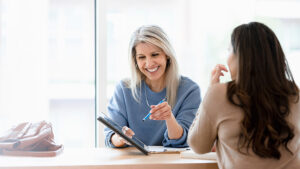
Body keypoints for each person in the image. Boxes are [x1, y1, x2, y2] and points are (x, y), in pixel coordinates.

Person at [188, 22, 300, 169]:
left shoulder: (219, 93)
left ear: (240, 57)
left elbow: (198, 146)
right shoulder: (293, 92)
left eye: (229, 50)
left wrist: (210, 91)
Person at [104, 25, 201, 148]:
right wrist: (121, 137)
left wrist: (169, 118)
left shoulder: (189, 91)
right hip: (132, 164)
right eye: (141, 57)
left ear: (167, 54)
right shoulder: (123, 89)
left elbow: (183, 140)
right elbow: (110, 136)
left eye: (155, 55)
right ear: (135, 60)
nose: (149, 63)